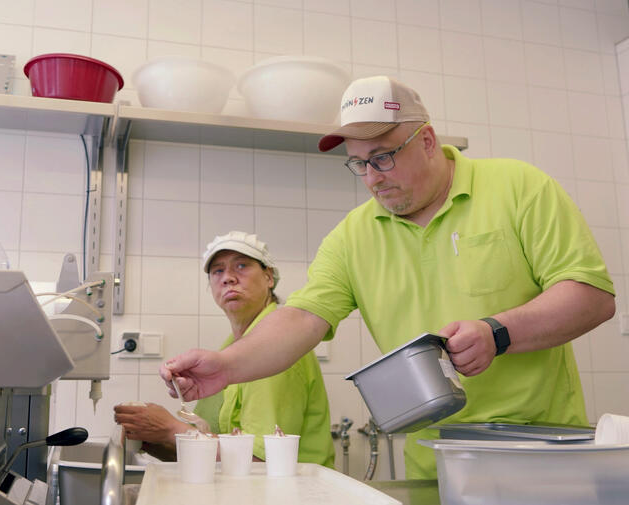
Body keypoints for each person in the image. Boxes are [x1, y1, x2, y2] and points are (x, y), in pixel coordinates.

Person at [160, 76, 616, 478]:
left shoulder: (519, 188)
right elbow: (301, 318)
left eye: (383, 157)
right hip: (436, 461)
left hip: (541, 451)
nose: (372, 178)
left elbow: (591, 296)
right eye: (358, 163)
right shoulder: (353, 236)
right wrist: (229, 366)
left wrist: (498, 333)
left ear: (428, 140)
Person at [115, 231, 335, 468]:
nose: (228, 277)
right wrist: (152, 437)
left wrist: (171, 429)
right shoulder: (231, 348)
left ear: (269, 277)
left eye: (241, 266)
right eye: (218, 271)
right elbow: (212, 448)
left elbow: (261, 461)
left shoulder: (280, 348)